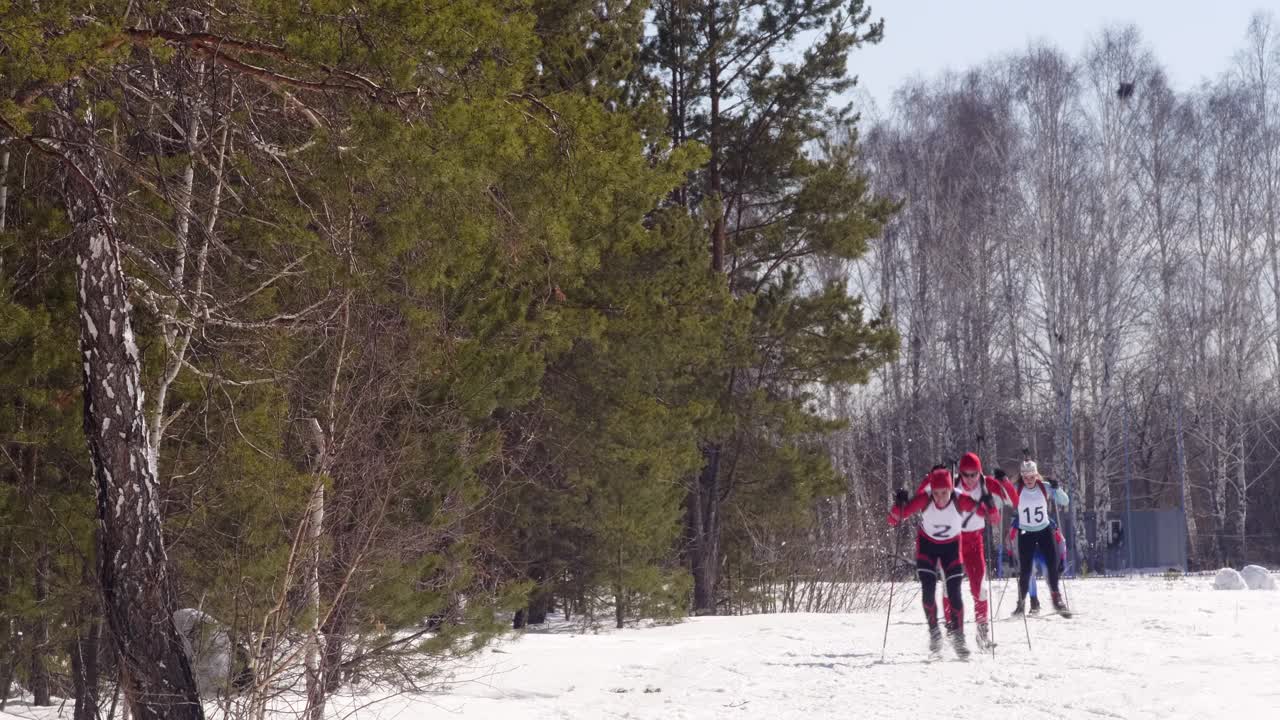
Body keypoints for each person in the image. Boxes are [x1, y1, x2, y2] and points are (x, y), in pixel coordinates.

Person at [889, 467, 999, 658]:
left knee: (955, 593)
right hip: (927, 547)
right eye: (937, 493)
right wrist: (898, 505)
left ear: (951, 489)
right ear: (932, 490)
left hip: (951, 548)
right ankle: (934, 633)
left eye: (944, 493)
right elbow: (894, 520)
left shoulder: (960, 499)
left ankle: (958, 637)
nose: (940, 498)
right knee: (928, 592)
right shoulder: (925, 498)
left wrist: (989, 505)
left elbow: (992, 517)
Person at [914, 453, 1010, 649]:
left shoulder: (985, 485)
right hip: (953, 544)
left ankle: (982, 632)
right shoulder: (950, 485)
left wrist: (1001, 488)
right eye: (965, 474)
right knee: (950, 590)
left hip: (975, 544)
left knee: (980, 590)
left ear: (979, 472)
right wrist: (931, 475)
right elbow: (920, 496)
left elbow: (1011, 502)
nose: (969, 479)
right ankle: (952, 631)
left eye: (974, 474)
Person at [1002, 460, 1071, 617]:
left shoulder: (1043, 486)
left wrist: (1057, 488)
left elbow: (1065, 501)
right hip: (1026, 533)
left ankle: (1056, 598)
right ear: (1022, 476)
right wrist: (1003, 483)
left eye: (1031, 477)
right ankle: (1021, 602)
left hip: (1044, 530)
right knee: (1025, 570)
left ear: (1036, 475)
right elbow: (1003, 500)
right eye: (1025, 477)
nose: (1028, 480)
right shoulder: (1017, 489)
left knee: (1052, 564)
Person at [1008, 515, 1067, 613]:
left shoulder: (1047, 520)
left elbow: (1061, 540)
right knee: (1029, 574)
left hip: (1042, 551)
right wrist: (1010, 555)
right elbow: (1010, 537)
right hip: (1030, 551)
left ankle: (1056, 599)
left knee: (1048, 575)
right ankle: (1033, 601)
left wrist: (1062, 559)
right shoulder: (1019, 520)